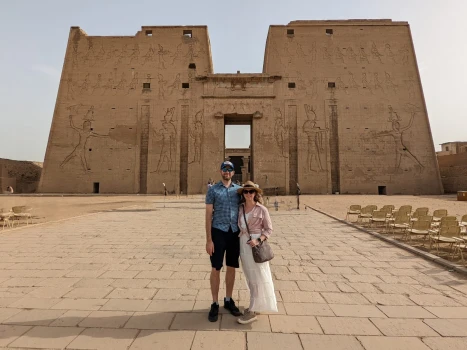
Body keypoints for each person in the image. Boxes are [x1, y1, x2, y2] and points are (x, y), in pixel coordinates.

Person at [205, 161, 243, 322]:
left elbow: (250, 203)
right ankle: (215, 302)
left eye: (229, 169)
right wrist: (209, 240)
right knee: (216, 268)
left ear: (233, 173)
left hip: (234, 233)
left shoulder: (238, 191)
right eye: (224, 169)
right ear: (220, 171)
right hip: (218, 232)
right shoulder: (213, 190)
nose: (227, 172)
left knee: (232, 267)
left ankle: (228, 299)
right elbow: (208, 215)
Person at [236, 181, 277, 324]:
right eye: (246, 192)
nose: (248, 194)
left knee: (258, 276)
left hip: (255, 245)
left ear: (255, 193)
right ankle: (256, 304)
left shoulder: (262, 209)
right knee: (250, 277)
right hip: (243, 244)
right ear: (243, 194)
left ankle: (252, 310)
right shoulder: (240, 208)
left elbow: (269, 229)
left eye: (251, 192)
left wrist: (258, 240)